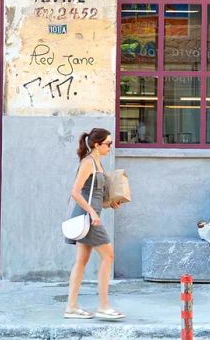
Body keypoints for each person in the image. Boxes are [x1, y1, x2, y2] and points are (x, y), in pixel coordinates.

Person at [64, 128, 124, 321]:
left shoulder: (98, 162)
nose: (110, 147)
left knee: (81, 262)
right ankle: (104, 306)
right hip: (88, 217)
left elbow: (96, 195)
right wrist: (91, 212)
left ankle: (71, 307)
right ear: (97, 145)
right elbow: (75, 191)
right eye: (108, 143)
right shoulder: (88, 162)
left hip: (92, 216)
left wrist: (109, 203)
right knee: (108, 255)